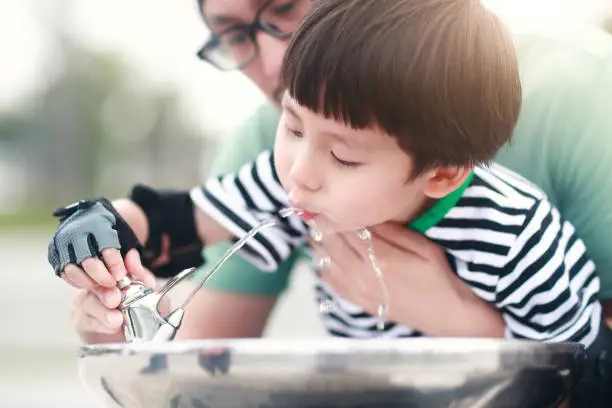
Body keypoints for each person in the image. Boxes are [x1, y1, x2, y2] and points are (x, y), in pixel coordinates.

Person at [49, 1, 611, 405]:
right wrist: (103, 226)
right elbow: (181, 220)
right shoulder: (291, 181)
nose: (301, 172)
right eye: (291, 127)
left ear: (440, 173)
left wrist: (460, 322)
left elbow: (571, 372)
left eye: (343, 158)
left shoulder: (515, 232)